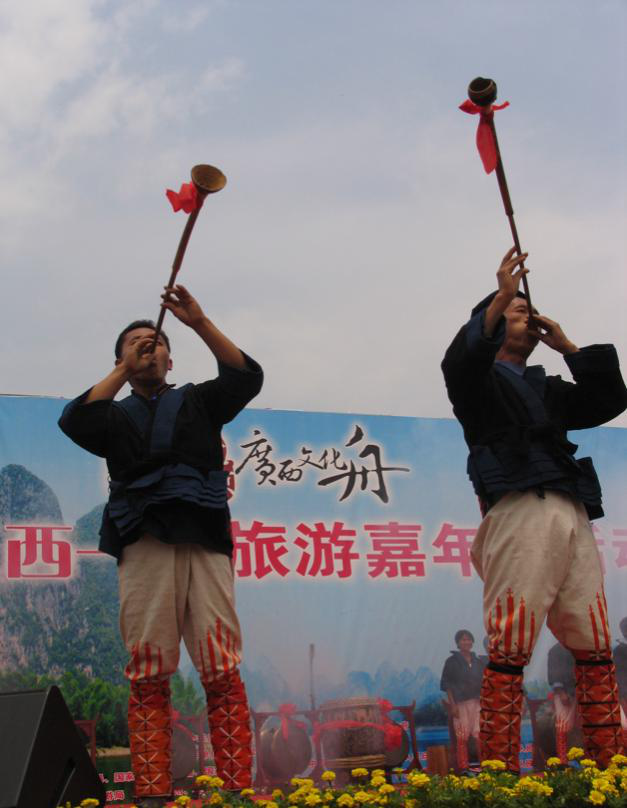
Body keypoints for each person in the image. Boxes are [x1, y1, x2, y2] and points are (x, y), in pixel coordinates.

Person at [59, 285, 263, 805]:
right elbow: (73, 421)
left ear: (171, 359)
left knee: (220, 663)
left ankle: (236, 791)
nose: (147, 347)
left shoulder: (198, 400)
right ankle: (152, 794)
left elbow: (245, 378)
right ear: (121, 362)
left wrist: (198, 321)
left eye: (155, 342)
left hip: (204, 537)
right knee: (149, 665)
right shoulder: (112, 416)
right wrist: (123, 370)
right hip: (143, 540)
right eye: (134, 344)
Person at [441, 247, 627, 770]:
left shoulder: (548, 388)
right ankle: (501, 773)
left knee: (593, 642)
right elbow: (460, 360)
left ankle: (610, 768)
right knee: (510, 643)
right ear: (492, 323)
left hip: (571, 510)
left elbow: (610, 400)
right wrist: (502, 296)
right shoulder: (476, 383)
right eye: (516, 312)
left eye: (529, 310)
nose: (528, 317)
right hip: (519, 509)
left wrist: (568, 347)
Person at [440, 629, 485, 771]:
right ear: (458, 643)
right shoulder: (451, 662)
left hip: (477, 703)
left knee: (479, 734)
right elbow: (447, 685)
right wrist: (453, 705)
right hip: (460, 704)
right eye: (463, 639)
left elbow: (485, 683)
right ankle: (464, 768)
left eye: (469, 639)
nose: (466, 642)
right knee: (462, 736)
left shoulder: (478, 662)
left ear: (472, 642)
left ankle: (485, 766)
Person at [547, 642, 578, 763]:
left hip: (581, 691)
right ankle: (563, 761)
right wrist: (561, 693)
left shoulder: (578, 646)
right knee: (563, 726)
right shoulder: (556, 650)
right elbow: (554, 675)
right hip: (565, 693)